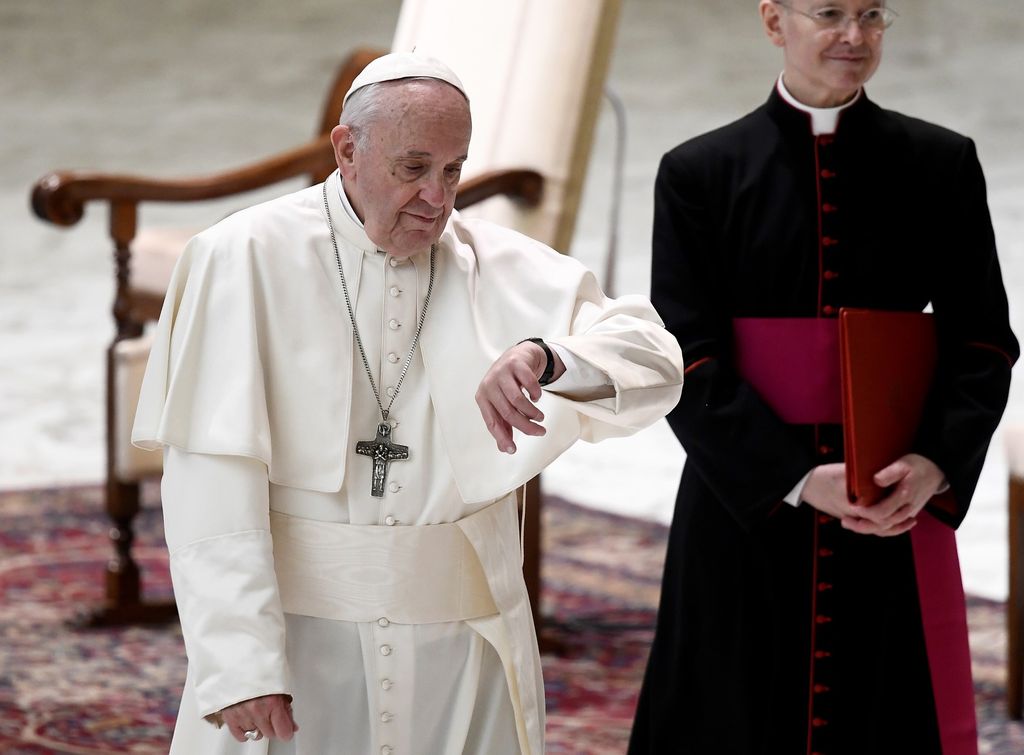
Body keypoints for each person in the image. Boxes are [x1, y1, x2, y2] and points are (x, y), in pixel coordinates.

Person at [132, 52, 683, 754]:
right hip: (302, 648)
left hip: (465, 652)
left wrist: (547, 357)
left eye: (453, 170)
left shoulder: (494, 262)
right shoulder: (241, 256)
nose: (437, 198)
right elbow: (209, 482)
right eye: (413, 168)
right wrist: (241, 662)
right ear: (347, 150)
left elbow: (657, 361)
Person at [628, 2, 1018, 754]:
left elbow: (984, 341)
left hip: (889, 488)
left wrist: (935, 462)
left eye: (871, 15)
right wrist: (797, 478)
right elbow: (686, 355)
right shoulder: (699, 171)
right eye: (830, 12)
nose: (854, 35)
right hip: (743, 494)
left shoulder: (941, 162)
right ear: (774, 22)